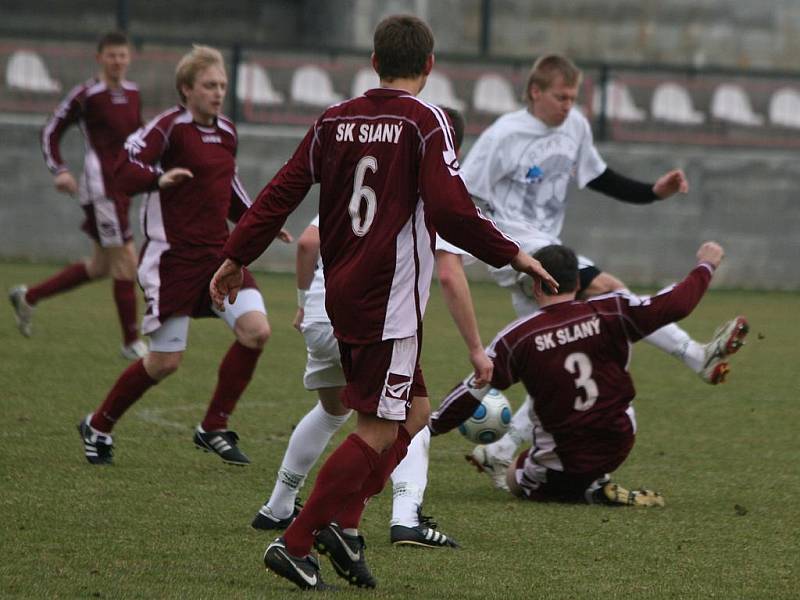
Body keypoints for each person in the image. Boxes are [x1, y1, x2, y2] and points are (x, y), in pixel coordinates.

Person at [210, 15, 556, 591]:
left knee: (415, 414)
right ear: (429, 65)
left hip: (341, 292)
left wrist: (234, 253)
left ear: (373, 62)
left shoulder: (333, 120)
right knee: (376, 427)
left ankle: (343, 524)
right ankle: (297, 542)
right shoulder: (427, 121)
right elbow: (449, 210)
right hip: (387, 300)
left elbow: (281, 192)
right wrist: (512, 254)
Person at [458, 53, 745, 488]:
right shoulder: (503, 135)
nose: (568, 105)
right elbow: (464, 194)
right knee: (610, 290)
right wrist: (478, 248)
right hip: (520, 247)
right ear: (535, 92)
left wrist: (654, 192)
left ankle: (502, 449)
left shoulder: (575, 127)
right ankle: (695, 355)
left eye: (574, 97)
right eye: (560, 96)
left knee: (550, 360)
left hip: (547, 250)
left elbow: (599, 177)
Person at [251, 107, 471, 551]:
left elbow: (309, 239)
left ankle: (281, 506)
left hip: (323, 311)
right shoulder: (425, 181)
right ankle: (383, 519)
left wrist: (298, 302)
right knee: (397, 420)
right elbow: (449, 269)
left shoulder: (360, 164)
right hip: (380, 315)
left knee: (341, 412)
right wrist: (479, 349)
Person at [76, 45, 289, 467]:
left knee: (256, 331)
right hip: (171, 260)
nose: (218, 92)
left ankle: (213, 426)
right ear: (186, 88)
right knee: (164, 362)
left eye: (222, 85)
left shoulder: (227, 131)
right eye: (209, 85)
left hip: (218, 257)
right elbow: (123, 168)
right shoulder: (168, 128)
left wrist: (256, 221)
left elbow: (229, 188)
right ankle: (98, 425)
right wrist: (158, 177)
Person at [431, 242, 748, 506]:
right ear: (579, 284)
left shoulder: (518, 337)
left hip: (562, 457)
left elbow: (473, 389)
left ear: (535, 282)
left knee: (515, 477)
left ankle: (586, 489)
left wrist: (430, 426)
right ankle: (595, 481)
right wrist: (706, 264)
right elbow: (678, 303)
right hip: (619, 441)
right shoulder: (614, 310)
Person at [9, 30, 147, 359]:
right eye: (111, 55)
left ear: (129, 58)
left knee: (101, 266)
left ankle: (28, 297)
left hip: (124, 189)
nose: (117, 61)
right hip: (102, 190)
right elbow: (50, 130)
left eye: (122, 55)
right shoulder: (87, 95)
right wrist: (60, 169)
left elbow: (140, 138)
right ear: (99, 58)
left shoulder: (133, 93)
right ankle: (131, 343)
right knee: (127, 261)